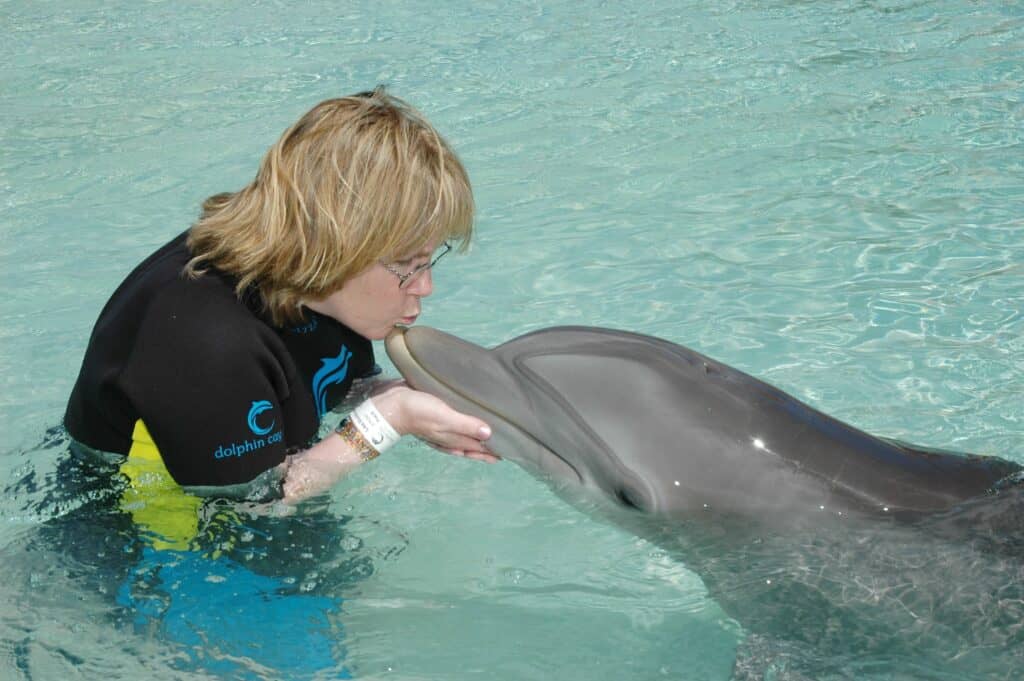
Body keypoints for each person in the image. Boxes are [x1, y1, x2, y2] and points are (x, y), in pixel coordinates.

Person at [64, 87, 495, 509]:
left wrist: (402, 395)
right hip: (145, 529)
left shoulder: (315, 282)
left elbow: (328, 382)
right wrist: (391, 418)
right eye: (408, 263)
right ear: (339, 244)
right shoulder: (205, 340)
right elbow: (260, 502)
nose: (425, 286)